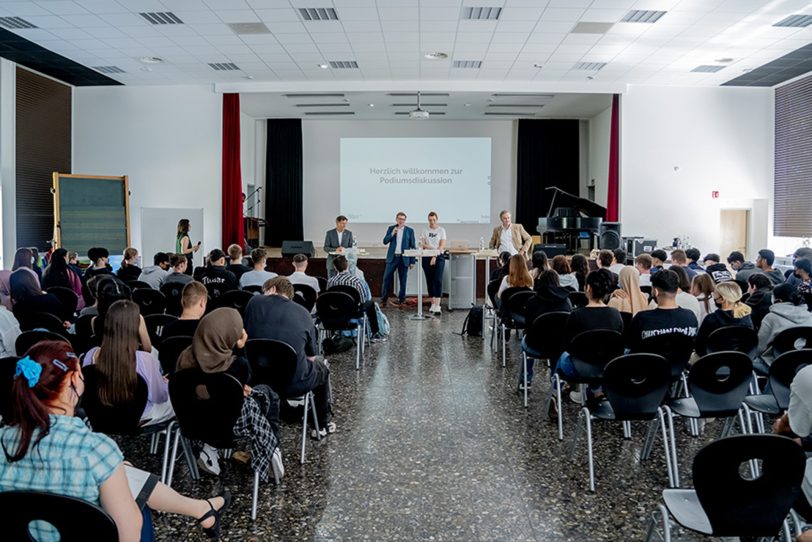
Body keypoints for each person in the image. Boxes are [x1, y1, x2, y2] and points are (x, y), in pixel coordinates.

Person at [0, 341, 231, 542]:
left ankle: (202, 509)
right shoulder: (95, 450)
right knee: (137, 504)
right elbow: (129, 535)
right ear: (74, 380)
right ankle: (202, 510)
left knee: (124, 473)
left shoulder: (2, 440)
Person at [177, 308, 283, 480]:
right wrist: (240, 347)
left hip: (194, 422)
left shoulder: (184, 357)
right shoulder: (237, 365)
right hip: (231, 425)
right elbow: (246, 380)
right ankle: (272, 449)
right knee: (268, 393)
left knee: (218, 403)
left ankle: (209, 447)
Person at [243, 277, 334, 438]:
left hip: (257, 381)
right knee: (322, 369)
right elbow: (311, 357)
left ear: (271, 290)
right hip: (293, 383)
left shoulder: (253, 303)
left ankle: (285, 410)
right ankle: (320, 425)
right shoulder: (303, 313)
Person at [83, 300, 174, 425]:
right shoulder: (144, 359)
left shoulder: (91, 355)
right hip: (138, 417)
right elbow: (159, 397)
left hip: (101, 415)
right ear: (136, 327)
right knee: (178, 399)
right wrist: (165, 384)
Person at [553, 269, 623, 404]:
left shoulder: (577, 315)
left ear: (588, 288)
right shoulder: (615, 314)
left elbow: (568, 345)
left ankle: (555, 393)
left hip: (578, 369)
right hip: (607, 367)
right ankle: (597, 392)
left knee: (563, 356)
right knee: (597, 355)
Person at [519, 270, 572, 391]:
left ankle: (526, 379)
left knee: (524, 342)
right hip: (559, 346)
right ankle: (556, 384)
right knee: (556, 348)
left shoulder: (532, 301)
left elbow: (528, 326)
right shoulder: (566, 301)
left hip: (535, 346)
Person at [625, 268, 699, 353]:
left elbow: (629, 346)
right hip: (680, 365)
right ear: (676, 289)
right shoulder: (690, 316)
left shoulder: (642, 318)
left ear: (656, 291)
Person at [755, 283, 812, 372]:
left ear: (778, 300)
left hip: (776, 365)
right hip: (804, 364)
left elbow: (759, 347)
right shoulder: (810, 316)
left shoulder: (771, 318)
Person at [327, 255, 381, 339]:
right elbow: (363, 300)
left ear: (335, 267)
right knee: (371, 304)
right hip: (354, 311)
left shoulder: (330, 282)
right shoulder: (357, 281)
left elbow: (329, 299)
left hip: (337, 311)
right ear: (347, 265)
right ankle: (375, 332)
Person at [694, 281, 753, 357]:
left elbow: (699, 346)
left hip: (712, 360)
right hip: (739, 361)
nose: (713, 297)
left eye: (714, 295)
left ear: (722, 299)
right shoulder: (747, 318)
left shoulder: (711, 319)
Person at [380, 212, 416, 307]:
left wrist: (412, 261)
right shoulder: (391, 229)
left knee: (403, 280)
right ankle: (383, 300)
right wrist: (392, 234)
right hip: (392, 258)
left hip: (404, 258)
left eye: (403, 219)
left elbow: (413, 247)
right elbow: (385, 241)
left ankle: (401, 300)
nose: (401, 221)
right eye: (399, 219)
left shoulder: (410, 231)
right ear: (396, 219)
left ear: (405, 220)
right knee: (386, 279)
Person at [419, 211, 447, 314]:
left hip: (438, 257)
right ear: (428, 220)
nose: (432, 222)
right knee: (429, 280)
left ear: (437, 219)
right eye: (430, 220)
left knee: (438, 280)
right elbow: (422, 244)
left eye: (434, 220)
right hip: (426, 257)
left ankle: (437, 304)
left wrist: (434, 254)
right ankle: (433, 303)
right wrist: (430, 248)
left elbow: (442, 245)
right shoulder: (424, 230)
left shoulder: (441, 230)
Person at [324, 215, 354, 279]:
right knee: (331, 282)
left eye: (345, 223)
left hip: (345, 263)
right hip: (332, 262)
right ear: (337, 223)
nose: (344, 225)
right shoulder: (330, 233)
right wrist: (336, 250)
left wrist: (345, 250)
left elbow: (351, 247)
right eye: (342, 223)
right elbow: (326, 248)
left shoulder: (349, 233)